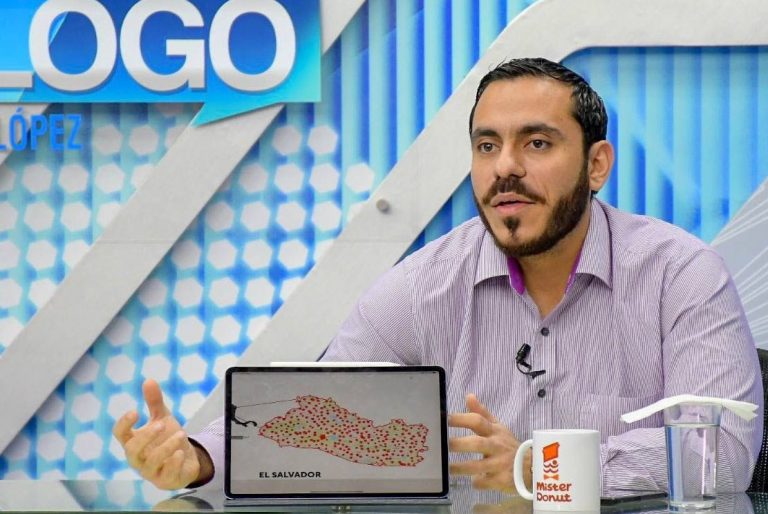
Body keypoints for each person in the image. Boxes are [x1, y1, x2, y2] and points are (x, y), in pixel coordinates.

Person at [113, 57, 763, 494]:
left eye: (537, 143)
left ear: (597, 165)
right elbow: (316, 415)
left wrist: (538, 466)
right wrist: (199, 458)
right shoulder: (424, 286)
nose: (505, 167)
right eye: (487, 145)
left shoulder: (681, 275)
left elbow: (720, 457)